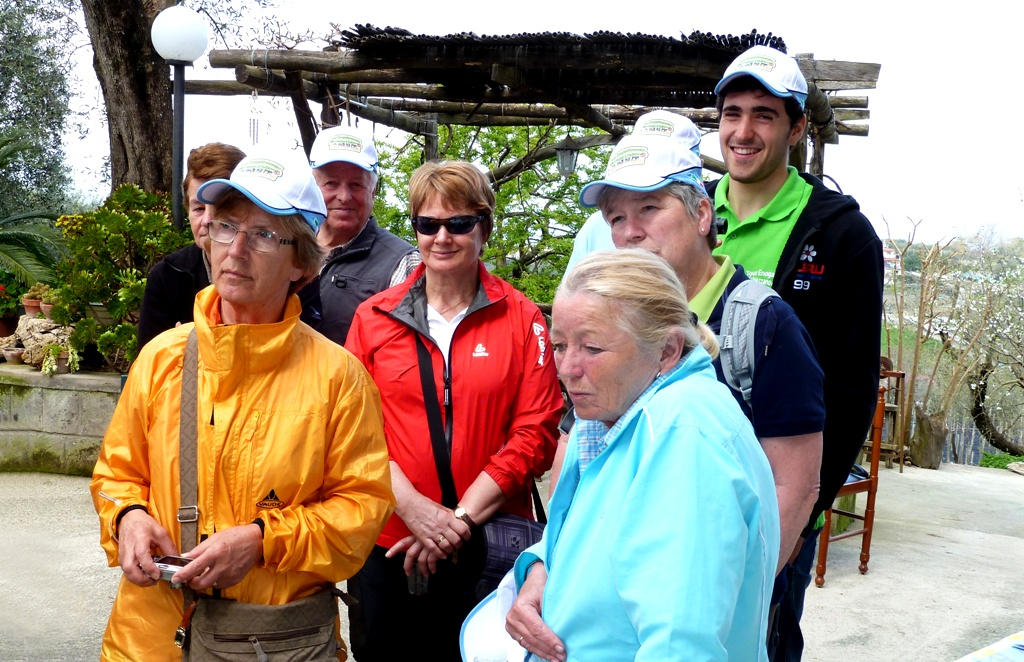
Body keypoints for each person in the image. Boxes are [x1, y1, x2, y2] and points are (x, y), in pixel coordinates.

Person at [90, 148, 395, 661]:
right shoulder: (160, 359)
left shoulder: (339, 378)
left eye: (263, 235)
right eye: (227, 227)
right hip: (148, 639)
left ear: (302, 261)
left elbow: (360, 513)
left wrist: (262, 542)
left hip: (274, 643)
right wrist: (128, 518)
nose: (234, 250)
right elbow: (116, 473)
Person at [577, 109, 824, 573]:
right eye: (616, 217)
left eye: (650, 208)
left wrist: (746, 590)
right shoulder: (612, 320)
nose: (630, 232)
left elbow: (794, 485)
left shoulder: (763, 325)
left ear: (702, 214)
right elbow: (578, 449)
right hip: (621, 572)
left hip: (720, 574)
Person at [506, 249, 779, 662]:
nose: (567, 368)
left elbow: (682, 646)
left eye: (592, 348)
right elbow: (589, 534)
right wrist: (539, 572)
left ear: (667, 350)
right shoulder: (613, 410)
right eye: (560, 345)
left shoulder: (682, 436)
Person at [345, 160, 563, 661]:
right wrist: (414, 510)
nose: (442, 237)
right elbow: (353, 431)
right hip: (391, 542)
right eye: (428, 224)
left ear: (483, 227)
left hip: (487, 545)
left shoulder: (522, 317)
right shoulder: (374, 318)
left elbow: (535, 433)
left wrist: (456, 521)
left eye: (459, 224)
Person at [709, 45, 883, 660]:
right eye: (732, 113)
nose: (744, 131)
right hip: (688, 477)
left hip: (778, 490)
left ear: (798, 127)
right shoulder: (691, 213)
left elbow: (855, 384)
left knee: (764, 639)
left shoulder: (841, 234)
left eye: (764, 114)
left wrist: (810, 507)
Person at [300, 124, 420, 344]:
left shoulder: (403, 263)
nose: (344, 196)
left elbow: (408, 355)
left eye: (356, 185)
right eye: (331, 183)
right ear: (312, 187)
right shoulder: (287, 248)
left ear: (373, 191)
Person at [137, 142, 245, 347]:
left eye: (220, 208)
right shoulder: (167, 276)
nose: (207, 220)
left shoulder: (277, 274)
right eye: (198, 208)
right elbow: (148, 365)